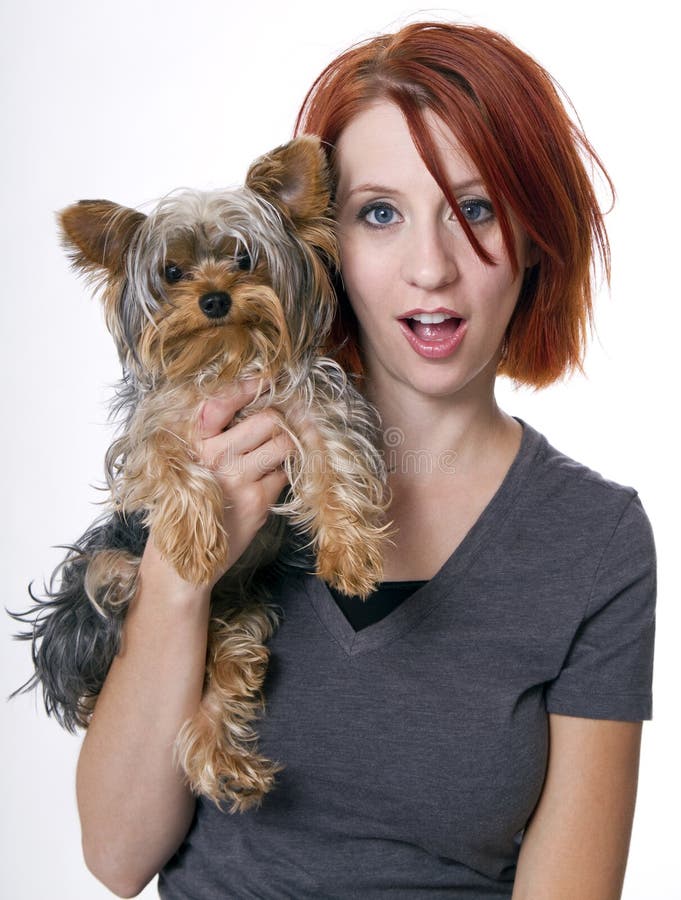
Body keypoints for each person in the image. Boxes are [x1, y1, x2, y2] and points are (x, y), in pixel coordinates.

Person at [75, 21, 656, 899]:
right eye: (379, 213)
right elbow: (116, 858)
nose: (431, 267)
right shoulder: (209, 462)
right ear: (320, 244)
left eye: (477, 208)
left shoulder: (594, 541)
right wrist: (182, 573)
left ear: (537, 236)